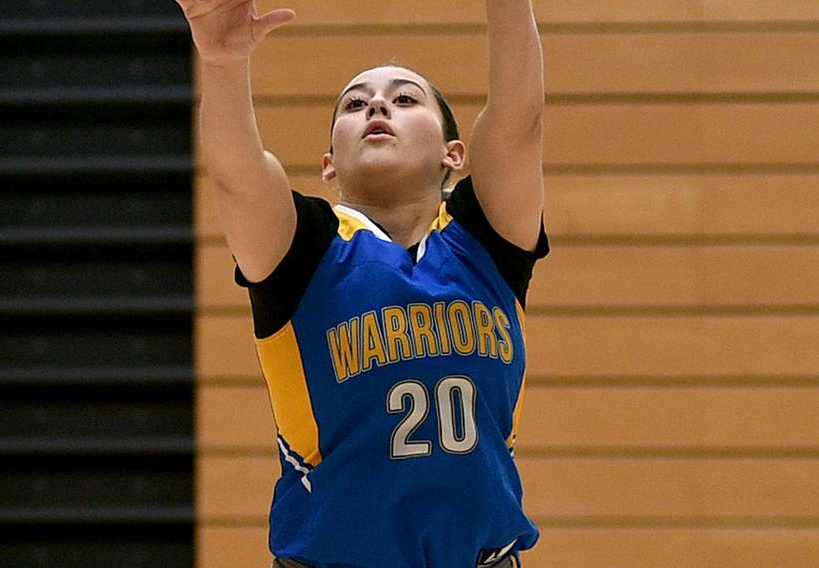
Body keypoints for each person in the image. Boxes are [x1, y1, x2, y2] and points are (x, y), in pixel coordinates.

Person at [176, 1, 548, 566]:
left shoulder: (486, 236)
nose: (377, 104)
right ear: (329, 163)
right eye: (355, 103)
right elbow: (237, 176)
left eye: (405, 99)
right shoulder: (307, 246)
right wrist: (224, 65)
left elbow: (520, 122)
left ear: (454, 153)